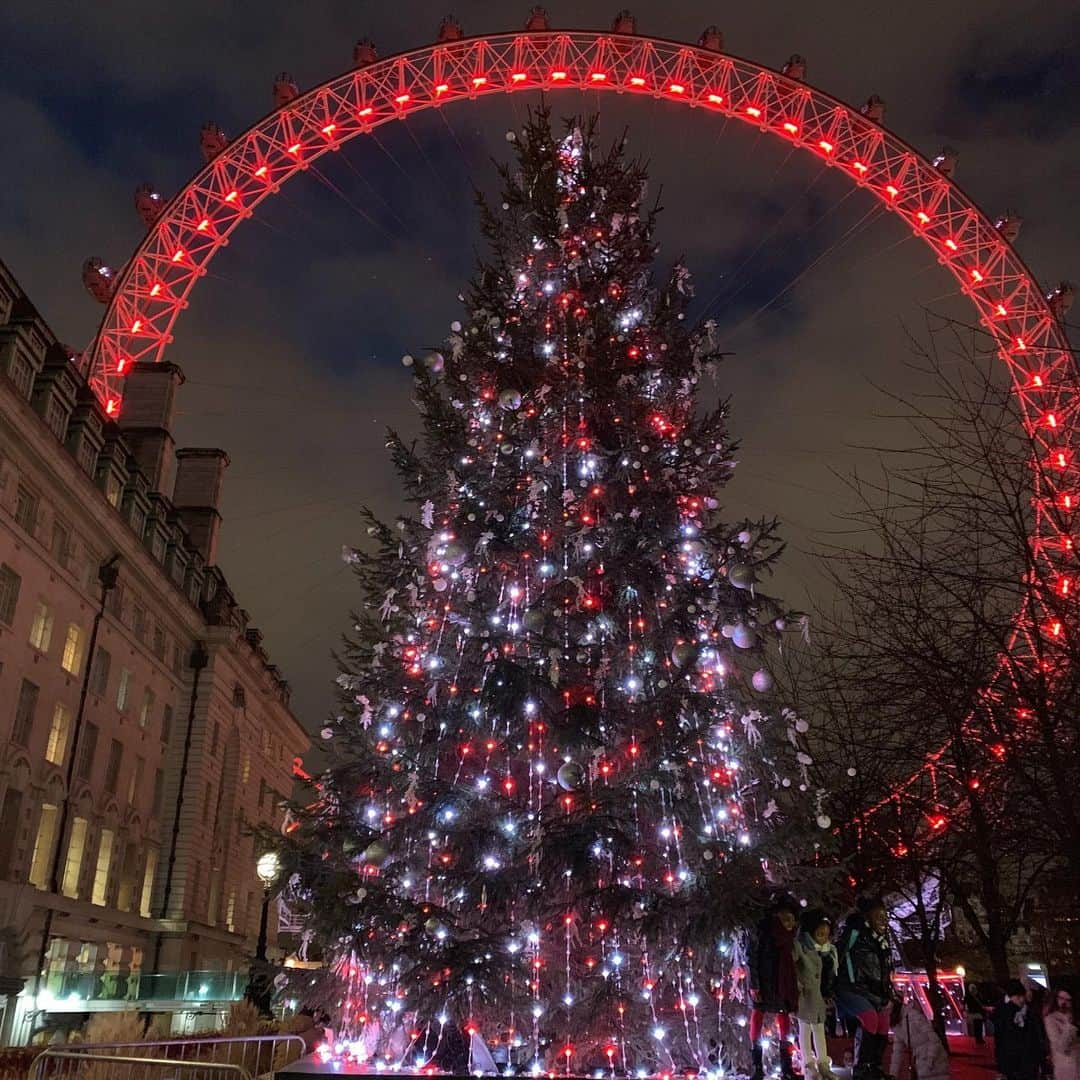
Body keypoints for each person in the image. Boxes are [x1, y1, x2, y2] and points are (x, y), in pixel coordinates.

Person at [835, 896, 897, 1080]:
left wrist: (888, 994)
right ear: (868, 917)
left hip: (875, 991)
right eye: (879, 916)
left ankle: (874, 1066)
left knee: (884, 1023)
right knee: (870, 1018)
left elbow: (885, 969)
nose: (884, 921)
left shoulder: (883, 940)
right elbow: (837, 956)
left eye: (885, 917)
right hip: (852, 988)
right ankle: (861, 1067)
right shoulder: (854, 933)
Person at [747, 893, 801, 1080]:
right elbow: (751, 958)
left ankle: (786, 1067)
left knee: (784, 1020)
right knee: (757, 1018)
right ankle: (757, 1067)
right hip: (764, 983)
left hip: (782, 985)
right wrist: (754, 985)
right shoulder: (763, 933)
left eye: (791, 919)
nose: (789, 923)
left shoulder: (791, 938)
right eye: (785, 919)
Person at [794, 909, 839, 1080]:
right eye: (820, 934)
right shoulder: (801, 947)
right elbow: (792, 966)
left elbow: (829, 975)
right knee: (805, 1028)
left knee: (819, 1028)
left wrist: (828, 992)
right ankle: (808, 1064)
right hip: (804, 995)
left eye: (826, 934)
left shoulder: (829, 952)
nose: (824, 937)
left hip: (819, 997)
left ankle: (823, 1063)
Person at [994, 979, 1046, 1080]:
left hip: (1029, 1061)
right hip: (1013, 1062)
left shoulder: (1029, 1012)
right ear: (1011, 997)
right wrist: (1001, 1067)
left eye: (1022, 996)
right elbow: (1000, 1040)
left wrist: (1041, 1061)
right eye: (1018, 997)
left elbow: (1036, 1037)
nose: (1022, 999)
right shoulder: (1004, 1013)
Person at [889, 999, 949, 1080]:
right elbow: (897, 1052)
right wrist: (892, 1075)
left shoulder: (913, 1016)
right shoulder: (897, 1025)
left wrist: (928, 1062)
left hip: (935, 1062)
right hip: (922, 1063)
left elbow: (934, 1040)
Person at [1045, 987, 1079, 1080]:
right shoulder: (1051, 1019)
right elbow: (1061, 1047)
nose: (1064, 1002)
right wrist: (1068, 1026)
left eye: (1068, 1000)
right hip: (1066, 1069)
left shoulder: (1076, 1016)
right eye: (1061, 998)